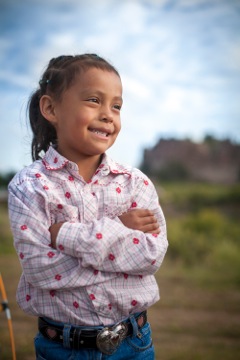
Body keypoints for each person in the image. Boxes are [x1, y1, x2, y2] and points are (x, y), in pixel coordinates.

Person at [8, 54, 168, 360]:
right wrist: (120, 255)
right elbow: (41, 270)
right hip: (62, 348)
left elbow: (150, 256)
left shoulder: (136, 183)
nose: (108, 114)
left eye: (117, 106)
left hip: (134, 344)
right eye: (94, 100)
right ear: (51, 108)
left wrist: (65, 235)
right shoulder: (30, 186)